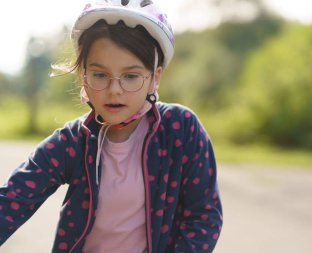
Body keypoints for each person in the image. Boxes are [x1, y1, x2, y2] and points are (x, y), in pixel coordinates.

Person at [0, 0, 223, 252]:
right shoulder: (72, 142)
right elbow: (12, 200)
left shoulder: (181, 129)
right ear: (83, 76)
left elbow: (204, 216)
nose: (114, 90)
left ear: (155, 77)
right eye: (100, 74)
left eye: (130, 76)